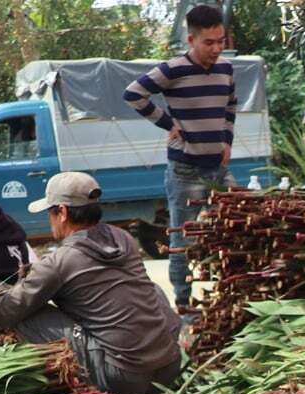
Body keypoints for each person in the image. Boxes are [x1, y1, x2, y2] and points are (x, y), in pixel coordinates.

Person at [0, 173, 181, 394]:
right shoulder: (122, 238)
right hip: (169, 366)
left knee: (26, 316)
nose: (49, 220)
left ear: (62, 212)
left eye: (50, 213)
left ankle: (67, 387)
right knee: (152, 290)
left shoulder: (60, 261)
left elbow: (0, 314)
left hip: (123, 379)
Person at [124, 3, 235, 309]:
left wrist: (227, 139)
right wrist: (167, 123)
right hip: (185, 170)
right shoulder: (172, 69)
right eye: (208, 42)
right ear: (191, 40)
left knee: (236, 229)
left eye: (220, 41)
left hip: (220, 169)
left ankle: (231, 294)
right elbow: (133, 94)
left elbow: (230, 106)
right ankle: (183, 305)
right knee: (181, 241)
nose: (216, 49)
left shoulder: (226, 69)